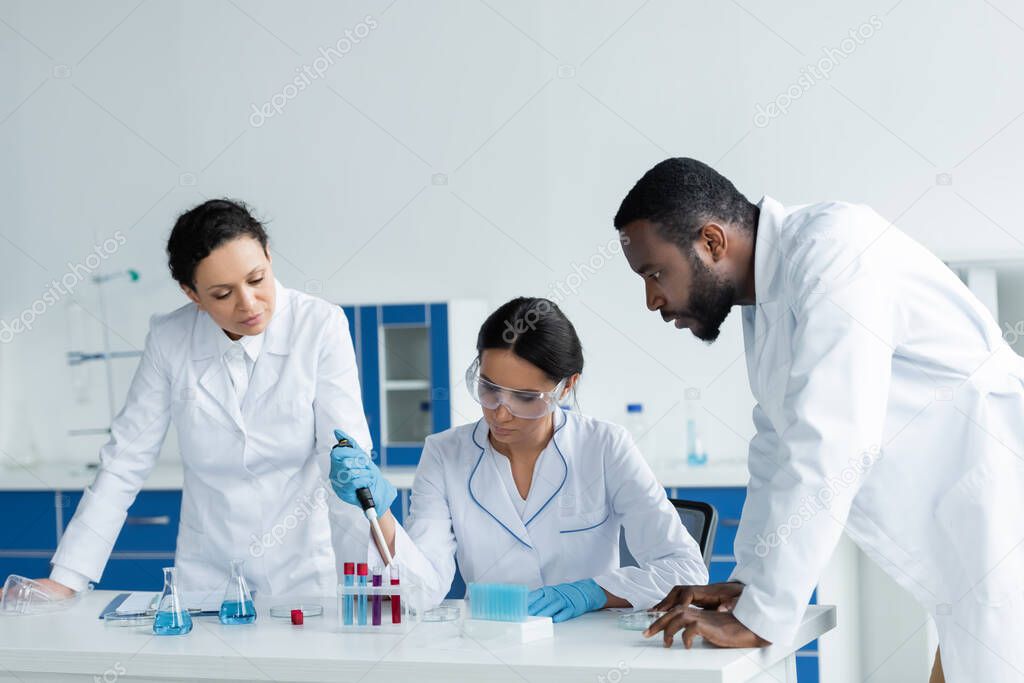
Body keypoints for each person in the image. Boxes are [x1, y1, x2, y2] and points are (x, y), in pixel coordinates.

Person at [614, 157, 1024, 681]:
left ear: (711, 242)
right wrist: (750, 586)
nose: (652, 300)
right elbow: (776, 446)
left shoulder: (834, 253)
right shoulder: (768, 298)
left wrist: (763, 617)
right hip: (975, 545)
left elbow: (831, 441)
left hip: (1002, 522)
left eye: (654, 272)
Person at [1, 199, 371, 600]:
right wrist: (67, 578)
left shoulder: (319, 324)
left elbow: (344, 461)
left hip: (304, 572)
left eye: (257, 278)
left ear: (267, 254)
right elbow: (126, 458)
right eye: (222, 293)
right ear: (191, 293)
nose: (248, 303)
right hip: (209, 573)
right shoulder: (169, 339)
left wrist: (369, 579)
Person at [329, 297, 708, 621]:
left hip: (589, 647)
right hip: (489, 642)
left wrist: (593, 592)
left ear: (567, 386)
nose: (501, 412)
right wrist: (380, 514)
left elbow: (685, 569)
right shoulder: (445, 453)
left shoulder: (605, 446)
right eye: (490, 389)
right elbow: (422, 591)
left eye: (525, 397)